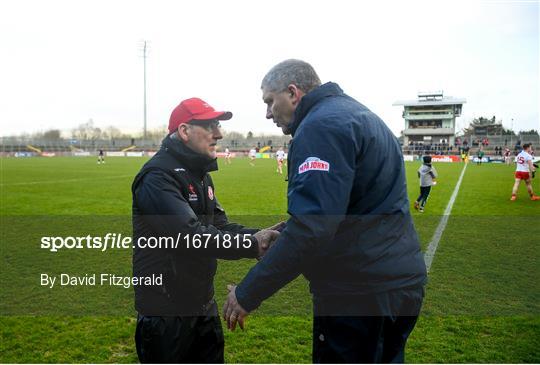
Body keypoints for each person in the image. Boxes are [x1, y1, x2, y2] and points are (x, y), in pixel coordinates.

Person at [223, 59, 427, 363]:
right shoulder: (361, 114)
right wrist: (284, 232)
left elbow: (313, 228)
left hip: (358, 294)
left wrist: (247, 293)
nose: (267, 113)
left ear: (292, 93)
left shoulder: (320, 126)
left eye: (269, 101)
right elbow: (348, 208)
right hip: (400, 283)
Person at [131, 97, 281, 363]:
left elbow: (220, 227)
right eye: (210, 125)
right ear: (185, 131)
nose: (219, 133)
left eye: (218, 125)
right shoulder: (157, 177)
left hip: (202, 308)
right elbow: (190, 236)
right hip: (167, 315)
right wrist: (253, 245)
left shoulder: (200, 175)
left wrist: (262, 235)